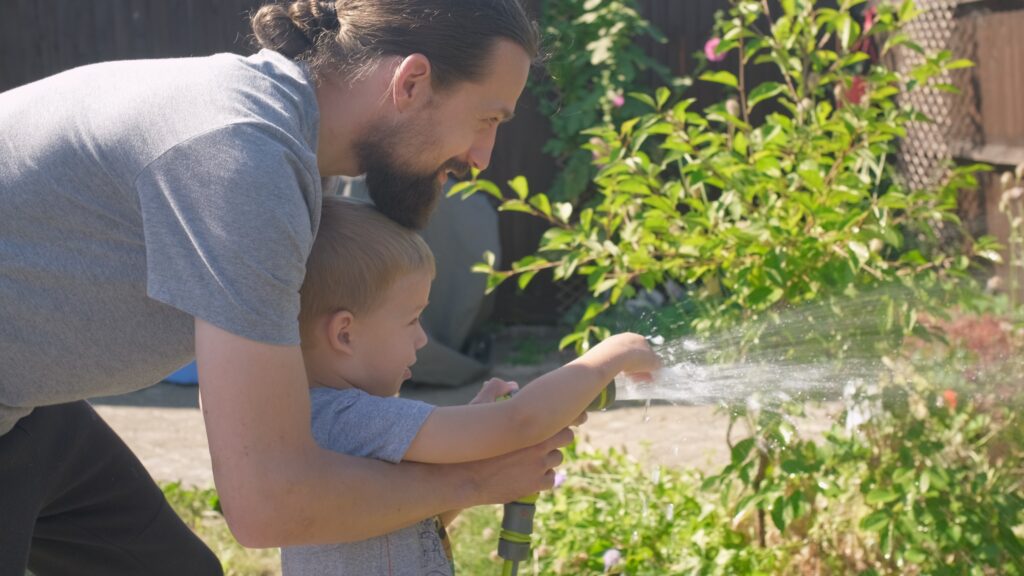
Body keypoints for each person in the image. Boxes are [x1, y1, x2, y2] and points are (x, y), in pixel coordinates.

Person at [0, 2, 577, 574]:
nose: (482, 157)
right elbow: (270, 502)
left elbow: (288, 430)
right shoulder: (242, 155)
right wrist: (474, 479)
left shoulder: (284, 141)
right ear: (411, 83)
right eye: (488, 119)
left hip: (26, 406)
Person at [280, 197, 658, 575]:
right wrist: (613, 355)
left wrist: (474, 426)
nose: (422, 339)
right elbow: (521, 421)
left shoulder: (322, 421)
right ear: (345, 334)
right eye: (412, 320)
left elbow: (411, 525)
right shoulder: (353, 418)